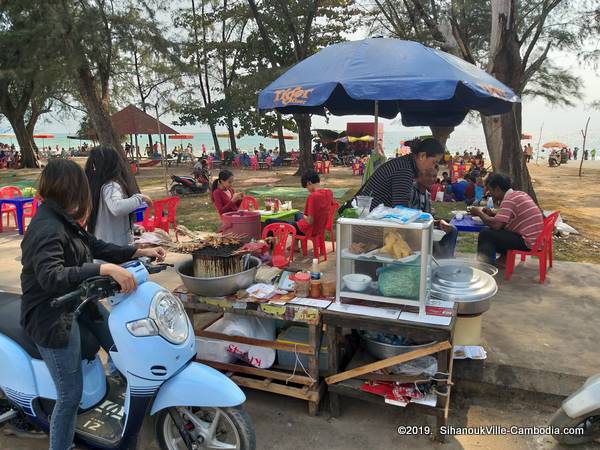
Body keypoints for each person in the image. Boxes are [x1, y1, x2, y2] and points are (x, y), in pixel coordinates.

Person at [20, 159, 165, 450]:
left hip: (78, 303)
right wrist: (103, 270)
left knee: (120, 350)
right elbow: (52, 277)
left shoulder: (64, 220)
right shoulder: (47, 227)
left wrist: (136, 250)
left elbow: (95, 246)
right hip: (52, 315)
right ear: (72, 190)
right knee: (70, 395)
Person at [471, 173, 543, 266]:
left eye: (490, 190)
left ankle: (485, 266)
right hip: (535, 240)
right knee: (501, 230)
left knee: (486, 233)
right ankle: (503, 260)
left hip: (529, 243)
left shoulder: (509, 199)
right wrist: (492, 213)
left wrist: (479, 213)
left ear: (497, 189)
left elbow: (496, 225)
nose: (488, 193)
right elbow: (508, 216)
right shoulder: (518, 194)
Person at [85, 145, 152, 247]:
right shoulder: (111, 186)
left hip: (101, 246)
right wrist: (140, 198)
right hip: (114, 250)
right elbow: (117, 208)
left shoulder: (94, 185)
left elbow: (105, 218)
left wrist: (131, 227)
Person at [360, 137, 444, 209]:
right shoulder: (404, 170)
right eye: (434, 162)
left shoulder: (406, 163)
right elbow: (400, 209)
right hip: (369, 219)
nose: (434, 167)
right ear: (422, 156)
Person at [265, 170, 333, 236]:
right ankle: (295, 244)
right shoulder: (329, 192)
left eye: (307, 187)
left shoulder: (313, 196)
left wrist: (304, 216)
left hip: (308, 230)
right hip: (320, 227)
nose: (308, 190)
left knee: (269, 221)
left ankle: (268, 245)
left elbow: (310, 221)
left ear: (309, 183)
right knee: (297, 213)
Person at [410, 167, 458, 258]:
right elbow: (408, 217)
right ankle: (440, 259)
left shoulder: (427, 194)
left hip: (425, 227)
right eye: (428, 176)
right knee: (435, 243)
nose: (432, 179)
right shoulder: (411, 191)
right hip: (413, 230)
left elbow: (427, 217)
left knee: (452, 229)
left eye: (434, 176)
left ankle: (446, 260)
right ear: (418, 177)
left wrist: (439, 222)